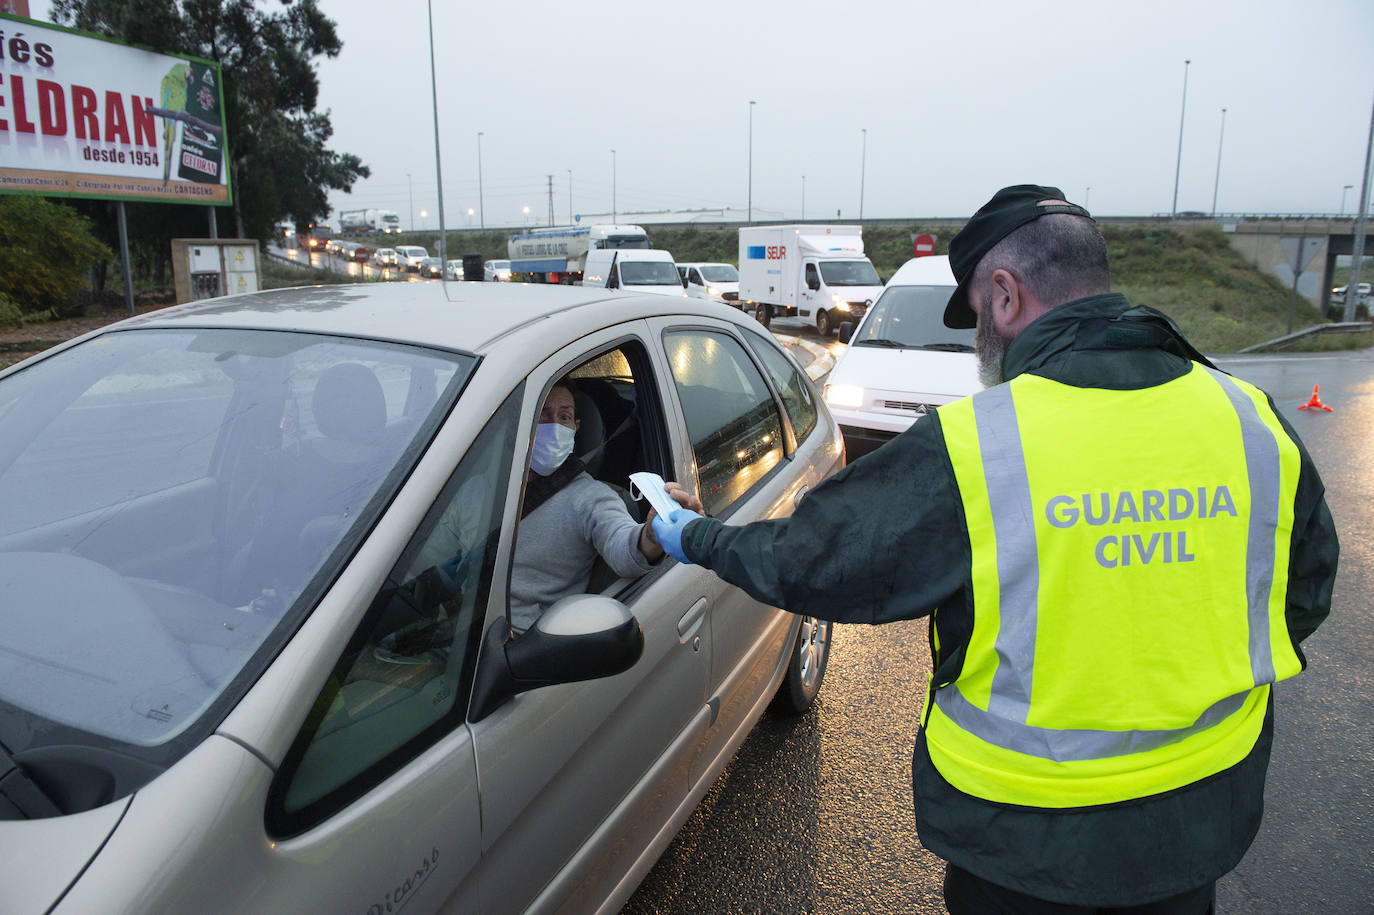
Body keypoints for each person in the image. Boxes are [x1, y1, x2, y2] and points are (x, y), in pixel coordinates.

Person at [653, 185, 1338, 913]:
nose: (980, 336)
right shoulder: (1246, 417)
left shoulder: (984, 444)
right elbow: (1304, 591)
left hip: (1025, 847)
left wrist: (693, 534)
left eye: (978, 313)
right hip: (1194, 826)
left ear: (1006, 296)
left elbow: (814, 559)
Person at [508, 379, 688, 632]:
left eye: (564, 417)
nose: (554, 426)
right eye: (543, 415)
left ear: (576, 428)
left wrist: (652, 533)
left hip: (521, 642)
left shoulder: (591, 497)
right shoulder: (486, 487)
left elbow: (622, 545)